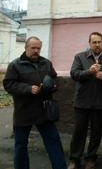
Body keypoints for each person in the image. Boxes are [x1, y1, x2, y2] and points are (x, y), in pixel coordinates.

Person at [3, 36, 67, 169]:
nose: (36, 51)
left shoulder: (46, 63)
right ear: (26, 47)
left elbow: (56, 79)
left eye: (38, 48)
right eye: (33, 48)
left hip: (45, 110)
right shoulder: (15, 65)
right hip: (24, 110)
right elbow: (9, 85)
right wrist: (27, 88)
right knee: (20, 144)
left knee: (53, 142)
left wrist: (53, 86)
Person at [68, 32, 102, 169]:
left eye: (99, 42)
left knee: (96, 132)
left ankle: (91, 158)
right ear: (89, 44)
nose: (97, 45)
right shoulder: (80, 57)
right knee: (79, 131)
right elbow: (74, 74)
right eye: (94, 42)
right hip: (82, 100)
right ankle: (75, 159)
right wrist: (88, 72)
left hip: (100, 102)